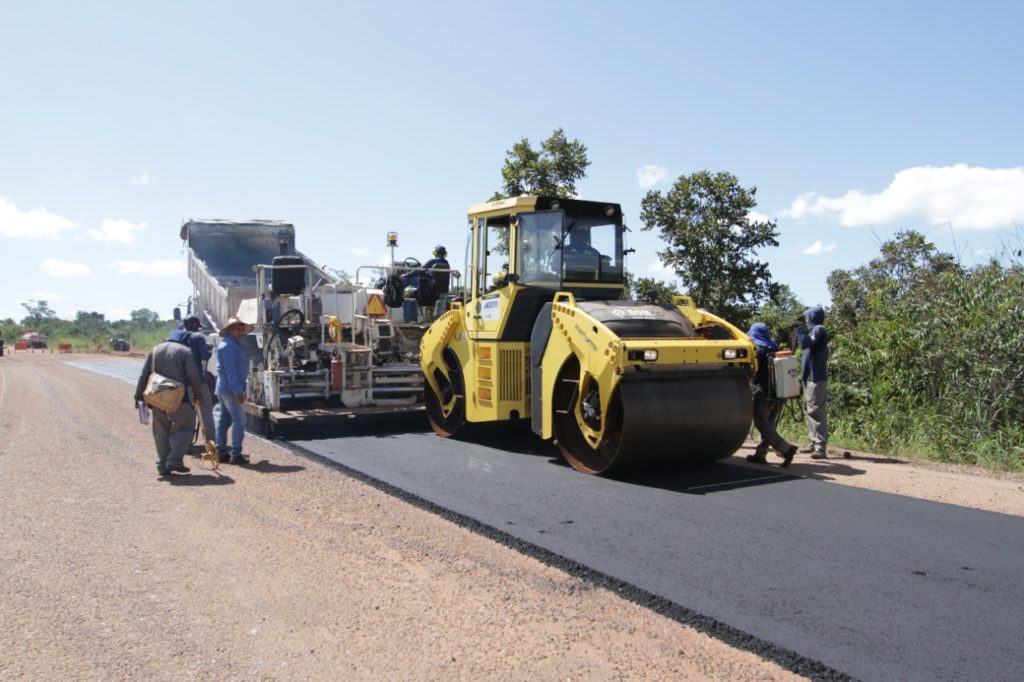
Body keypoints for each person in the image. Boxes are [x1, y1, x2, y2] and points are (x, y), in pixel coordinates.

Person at [134, 334, 212, 477]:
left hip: (157, 397)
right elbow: (194, 376)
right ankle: (174, 460)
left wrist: (138, 396)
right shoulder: (185, 351)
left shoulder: (155, 350)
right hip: (179, 398)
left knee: (161, 431)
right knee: (185, 427)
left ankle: (162, 464)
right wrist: (197, 394)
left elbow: (144, 375)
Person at [746, 322, 797, 467]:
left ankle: (786, 449)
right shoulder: (775, 347)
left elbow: (751, 372)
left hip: (763, 393)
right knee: (769, 425)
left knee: (761, 423)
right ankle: (760, 454)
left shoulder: (758, 350)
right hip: (779, 393)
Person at [167, 316, 216, 448]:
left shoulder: (175, 336)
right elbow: (205, 355)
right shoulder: (198, 337)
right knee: (206, 409)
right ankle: (210, 442)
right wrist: (209, 348)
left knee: (187, 413)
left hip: (180, 381)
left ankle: (186, 443)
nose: (198, 328)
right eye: (197, 326)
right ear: (194, 325)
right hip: (197, 380)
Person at [215, 317, 254, 464]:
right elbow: (230, 370)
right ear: (230, 330)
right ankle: (236, 454)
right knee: (239, 420)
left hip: (225, 387)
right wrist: (238, 390)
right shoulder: (229, 346)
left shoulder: (229, 344)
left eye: (242, 329)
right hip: (231, 389)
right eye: (238, 329)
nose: (241, 331)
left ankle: (221, 452)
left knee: (224, 420)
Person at [798, 306, 830, 459]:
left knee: (816, 412)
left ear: (812, 317)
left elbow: (804, 344)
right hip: (809, 378)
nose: (805, 320)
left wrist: (801, 331)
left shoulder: (818, 329)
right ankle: (813, 442)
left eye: (806, 317)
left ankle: (820, 447)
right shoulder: (812, 331)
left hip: (816, 378)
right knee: (810, 411)